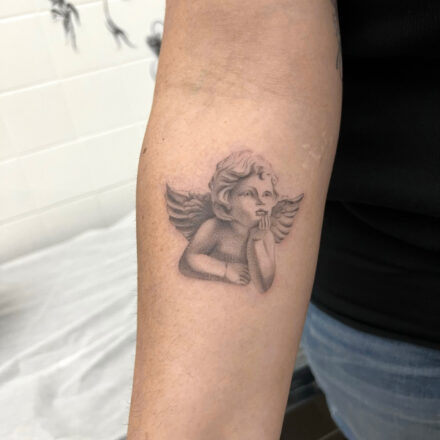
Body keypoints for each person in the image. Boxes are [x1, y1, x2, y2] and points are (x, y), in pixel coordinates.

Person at [127, 1, 439, 439]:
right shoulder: (214, 228)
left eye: (267, 197)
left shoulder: (262, 233)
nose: (262, 204)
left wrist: (260, 244)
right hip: (387, 318)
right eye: (251, 195)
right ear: (223, 200)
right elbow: (237, 80)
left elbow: (264, 275)